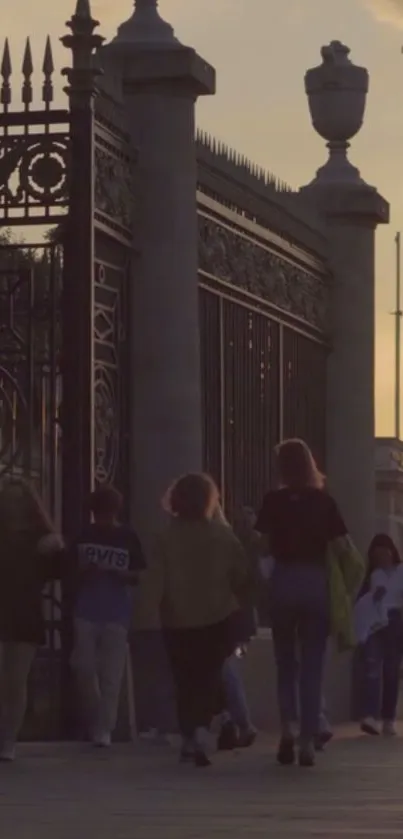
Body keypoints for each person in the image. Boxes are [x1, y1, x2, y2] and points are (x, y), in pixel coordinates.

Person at [254, 438, 358, 768]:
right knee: (313, 666)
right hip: (315, 583)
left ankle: (288, 728)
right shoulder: (324, 503)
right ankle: (308, 742)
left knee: (286, 663)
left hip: (284, 581)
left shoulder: (273, 501)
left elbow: (262, 546)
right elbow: (343, 548)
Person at [154, 473, 253, 767]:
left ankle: (189, 735)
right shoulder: (223, 536)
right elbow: (242, 578)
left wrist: (147, 616)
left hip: (176, 619)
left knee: (184, 680)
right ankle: (200, 730)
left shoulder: (164, 538)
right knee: (208, 679)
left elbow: (154, 582)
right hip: (216, 617)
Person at [70, 484, 145, 748]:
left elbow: (139, 573)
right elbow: (69, 570)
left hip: (116, 610)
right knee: (83, 667)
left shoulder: (127, 536)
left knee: (111, 673)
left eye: (108, 513)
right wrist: (84, 571)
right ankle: (95, 718)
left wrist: (123, 575)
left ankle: (104, 729)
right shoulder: (84, 535)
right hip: (86, 609)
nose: (104, 518)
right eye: (99, 513)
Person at [0, 478, 65, 762]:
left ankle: (7, 741)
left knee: (15, 681)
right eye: (7, 499)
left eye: (18, 500)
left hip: (24, 614)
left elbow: (61, 572)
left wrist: (57, 547)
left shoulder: (41, 539)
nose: (12, 506)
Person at [358, 533, 403, 737]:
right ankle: (370, 715)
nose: (382, 558)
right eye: (377, 555)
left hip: (395, 621)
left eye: (384, 553)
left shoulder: (401, 572)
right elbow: (362, 602)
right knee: (372, 666)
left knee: (392, 670)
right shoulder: (372, 575)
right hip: (375, 623)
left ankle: (388, 718)